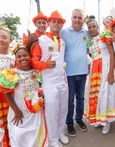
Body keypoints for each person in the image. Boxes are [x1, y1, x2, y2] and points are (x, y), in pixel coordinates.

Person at [30, 10, 69, 147]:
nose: (56, 24)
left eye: (59, 22)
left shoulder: (63, 41)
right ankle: (52, 139)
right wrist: (44, 64)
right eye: (54, 21)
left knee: (63, 109)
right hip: (49, 82)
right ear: (49, 23)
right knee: (52, 112)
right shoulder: (41, 40)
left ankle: (60, 133)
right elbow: (33, 62)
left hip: (63, 81)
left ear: (62, 25)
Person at [0, 45, 47, 147]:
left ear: (30, 56)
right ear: (16, 59)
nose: (22, 58)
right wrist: (16, 111)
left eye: (25, 55)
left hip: (35, 109)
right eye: (19, 56)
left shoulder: (37, 71)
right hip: (19, 109)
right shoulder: (12, 74)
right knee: (19, 134)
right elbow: (7, 94)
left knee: (36, 131)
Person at [85, 16, 115, 134]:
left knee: (106, 93)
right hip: (94, 68)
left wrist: (110, 72)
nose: (92, 29)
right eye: (89, 27)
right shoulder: (89, 41)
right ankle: (99, 118)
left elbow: (112, 54)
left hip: (105, 66)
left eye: (94, 26)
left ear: (98, 27)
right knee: (96, 94)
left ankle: (107, 122)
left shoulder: (105, 36)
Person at [61, 8, 89, 137]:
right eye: (75, 17)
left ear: (83, 20)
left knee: (81, 98)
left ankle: (79, 119)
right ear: (71, 18)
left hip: (83, 72)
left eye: (80, 17)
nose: (77, 20)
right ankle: (69, 123)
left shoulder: (86, 33)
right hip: (69, 73)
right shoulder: (64, 32)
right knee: (70, 99)